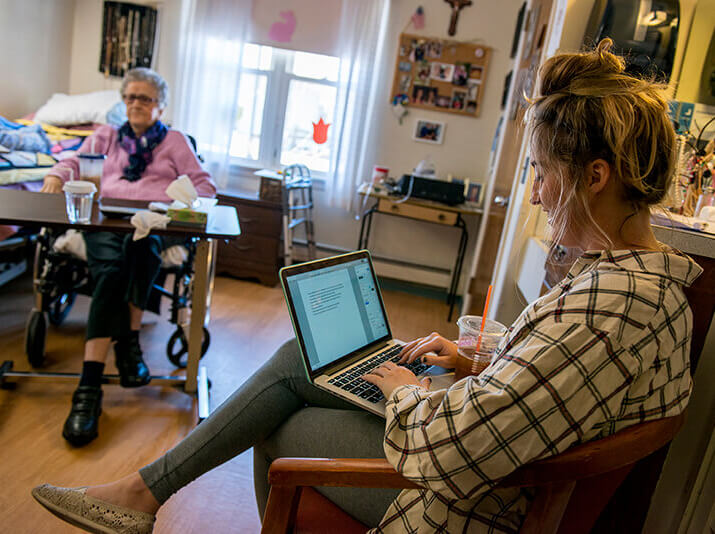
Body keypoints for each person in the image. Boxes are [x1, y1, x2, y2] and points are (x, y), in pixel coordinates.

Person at [32, 39, 701, 533]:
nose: (534, 191)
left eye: (541, 170)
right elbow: (561, 387)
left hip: (472, 503)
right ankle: (143, 495)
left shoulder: (606, 306)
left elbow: (458, 449)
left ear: (594, 177)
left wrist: (407, 390)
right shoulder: (630, 286)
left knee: (287, 423)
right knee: (305, 361)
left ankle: (142, 495)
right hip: (497, 460)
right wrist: (475, 360)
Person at [39, 67, 216, 447]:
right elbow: (72, 161)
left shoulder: (175, 141)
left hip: (153, 225)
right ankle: (120, 353)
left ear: (161, 106)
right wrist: (56, 175)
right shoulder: (106, 136)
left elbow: (204, 185)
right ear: (124, 101)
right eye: (131, 97)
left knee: (129, 258)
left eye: (146, 99)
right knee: (114, 268)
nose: (137, 104)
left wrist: (187, 204)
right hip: (106, 221)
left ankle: (90, 388)